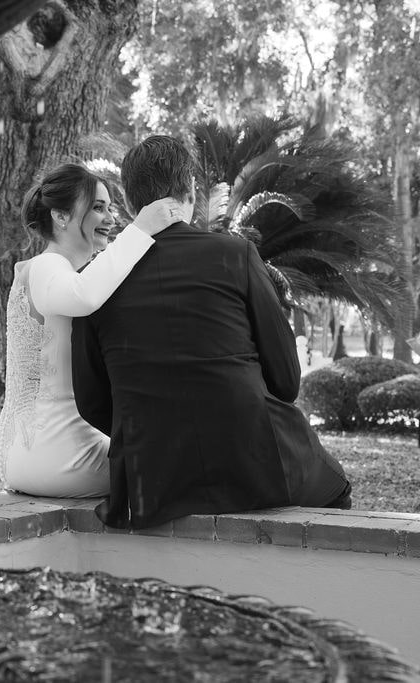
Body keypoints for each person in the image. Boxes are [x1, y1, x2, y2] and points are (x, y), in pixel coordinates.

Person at [71, 135, 351, 530]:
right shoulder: (236, 256)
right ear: (190, 192)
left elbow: (92, 401)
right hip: (258, 464)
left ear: (132, 203)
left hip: (151, 479)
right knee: (338, 490)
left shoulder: (94, 281)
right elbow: (286, 380)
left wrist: (157, 426)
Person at [0, 163, 187, 498]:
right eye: (98, 208)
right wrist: (141, 229)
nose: (111, 219)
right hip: (57, 460)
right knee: (184, 462)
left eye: (111, 207)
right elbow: (84, 296)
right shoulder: (47, 266)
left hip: (20, 457)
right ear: (61, 217)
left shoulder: (54, 270)